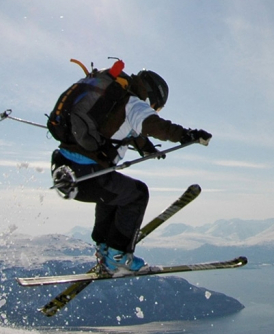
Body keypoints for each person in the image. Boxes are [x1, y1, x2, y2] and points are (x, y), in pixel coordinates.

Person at [51, 67, 212, 274]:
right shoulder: (134, 103)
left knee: (113, 193)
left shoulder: (113, 101)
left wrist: (146, 148)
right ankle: (118, 257)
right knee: (137, 194)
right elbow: (153, 125)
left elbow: (127, 129)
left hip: (63, 170)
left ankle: (104, 247)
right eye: (157, 108)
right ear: (153, 98)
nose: (155, 110)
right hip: (86, 175)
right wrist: (188, 134)